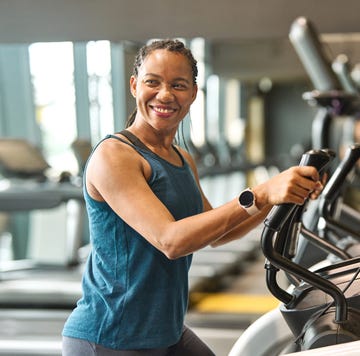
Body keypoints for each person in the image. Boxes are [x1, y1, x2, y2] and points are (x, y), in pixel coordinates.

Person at [62, 39, 324, 355]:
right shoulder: (115, 155)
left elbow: (219, 233)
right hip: (111, 336)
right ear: (134, 85)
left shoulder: (183, 159)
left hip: (166, 332)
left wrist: (278, 196)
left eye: (178, 85)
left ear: (193, 94)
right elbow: (171, 241)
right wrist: (262, 191)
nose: (165, 94)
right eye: (152, 82)